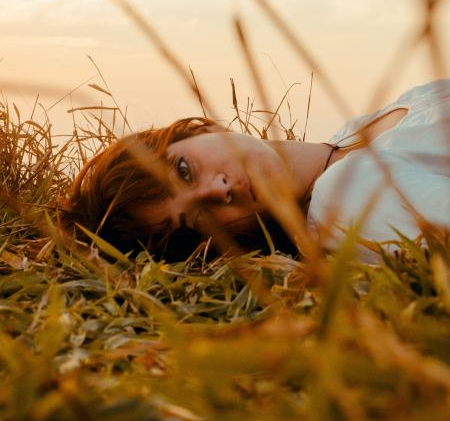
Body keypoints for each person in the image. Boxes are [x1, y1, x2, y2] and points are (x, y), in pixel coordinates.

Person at [61, 80, 449, 263]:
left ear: (197, 130)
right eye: (197, 221)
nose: (217, 192)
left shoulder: (349, 136)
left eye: (183, 170)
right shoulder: (344, 199)